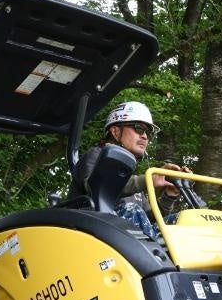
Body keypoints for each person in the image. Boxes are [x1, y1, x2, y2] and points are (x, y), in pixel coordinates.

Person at [69, 100, 189, 239]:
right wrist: (148, 179)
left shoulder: (131, 177)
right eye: (139, 128)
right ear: (115, 131)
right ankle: (154, 260)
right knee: (132, 210)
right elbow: (98, 187)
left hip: (122, 242)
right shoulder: (96, 155)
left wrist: (170, 194)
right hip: (87, 234)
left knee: (182, 220)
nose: (144, 136)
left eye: (148, 133)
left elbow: (149, 220)